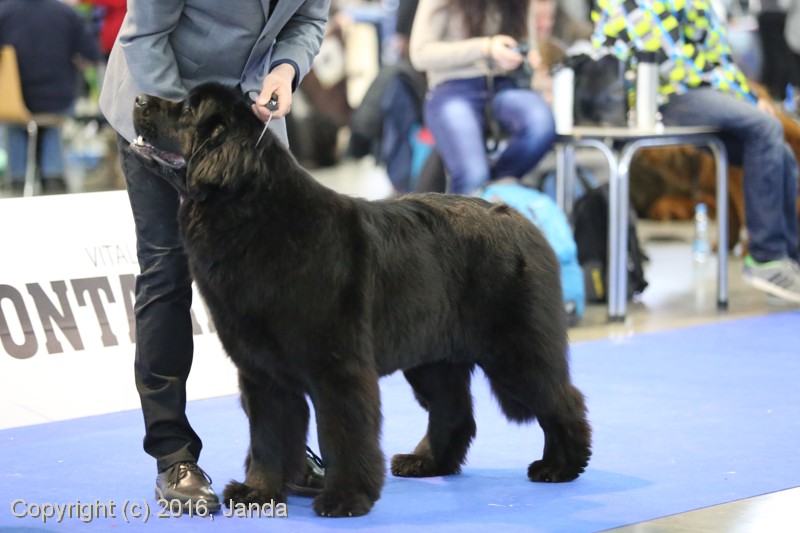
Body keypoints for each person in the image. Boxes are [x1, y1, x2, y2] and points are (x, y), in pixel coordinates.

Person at [99, 0, 331, 513]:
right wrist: (191, 140)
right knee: (167, 270)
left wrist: (285, 68)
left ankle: (280, 454)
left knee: (279, 283)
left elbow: (308, 19)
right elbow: (143, 37)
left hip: (250, 115)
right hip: (165, 105)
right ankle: (173, 455)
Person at [591, 0, 800, 303]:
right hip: (660, 95)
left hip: (697, 89)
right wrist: (746, 98)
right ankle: (766, 257)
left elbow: (718, 54)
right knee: (765, 126)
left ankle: (787, 262)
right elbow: (672, 64)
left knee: (779, 149)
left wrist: (748, 96)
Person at [409, 0, 556, 195]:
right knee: (472, 175)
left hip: (505, 85)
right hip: (453, 87)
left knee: (540, 121)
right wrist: (484, 48)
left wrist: (527, 60)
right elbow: (420, 54)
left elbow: (528, 48)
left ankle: (492, 189)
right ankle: (481, 195)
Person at [0, 0, 100, 194]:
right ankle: (53, 177)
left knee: (15, 127)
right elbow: (90, 57)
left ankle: (18, 180)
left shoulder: (3, 12)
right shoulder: (66, 13)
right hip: (58, 100)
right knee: (53, 129)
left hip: (14, 102)